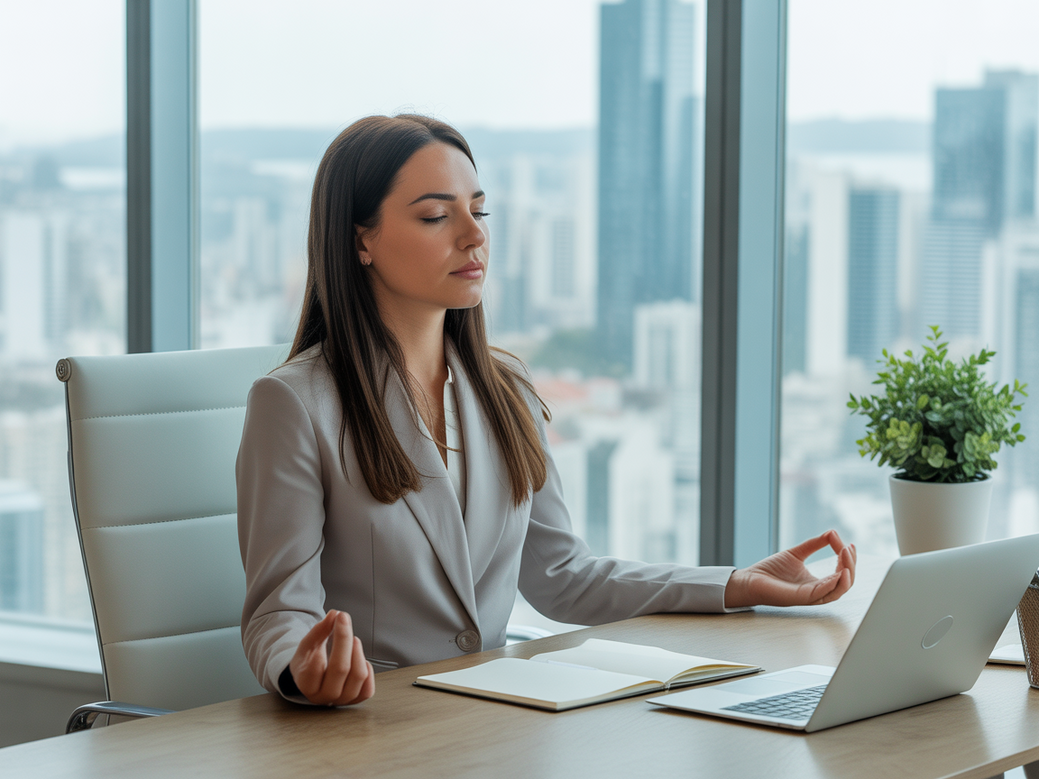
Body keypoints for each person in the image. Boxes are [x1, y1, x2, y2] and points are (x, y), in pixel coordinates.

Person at [237, 114, 857, 708]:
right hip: (372, 728)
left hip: (493, 723)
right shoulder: (295, 403)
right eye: (436, 216)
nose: (474, 235)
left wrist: (734, 583)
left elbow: (563, 576)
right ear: (361, 240)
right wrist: (305, 671)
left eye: (479, 211)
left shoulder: (505, 388)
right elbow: (278, 613)